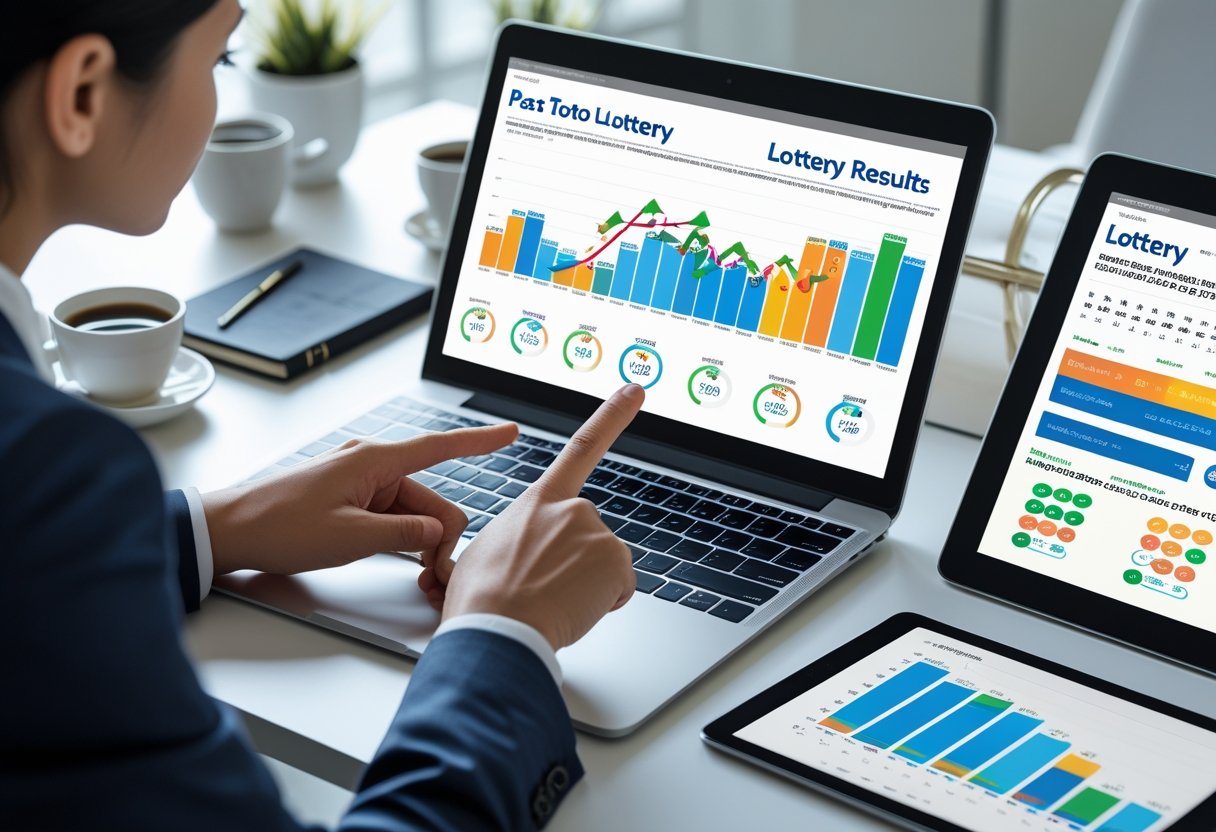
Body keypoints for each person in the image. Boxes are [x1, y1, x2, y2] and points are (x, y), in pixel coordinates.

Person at [0, 2, 641, 829]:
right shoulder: (47, 467)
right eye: (220, 61)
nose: (220, 97)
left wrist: (210, 530)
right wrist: (502, 632)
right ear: (82, 94)